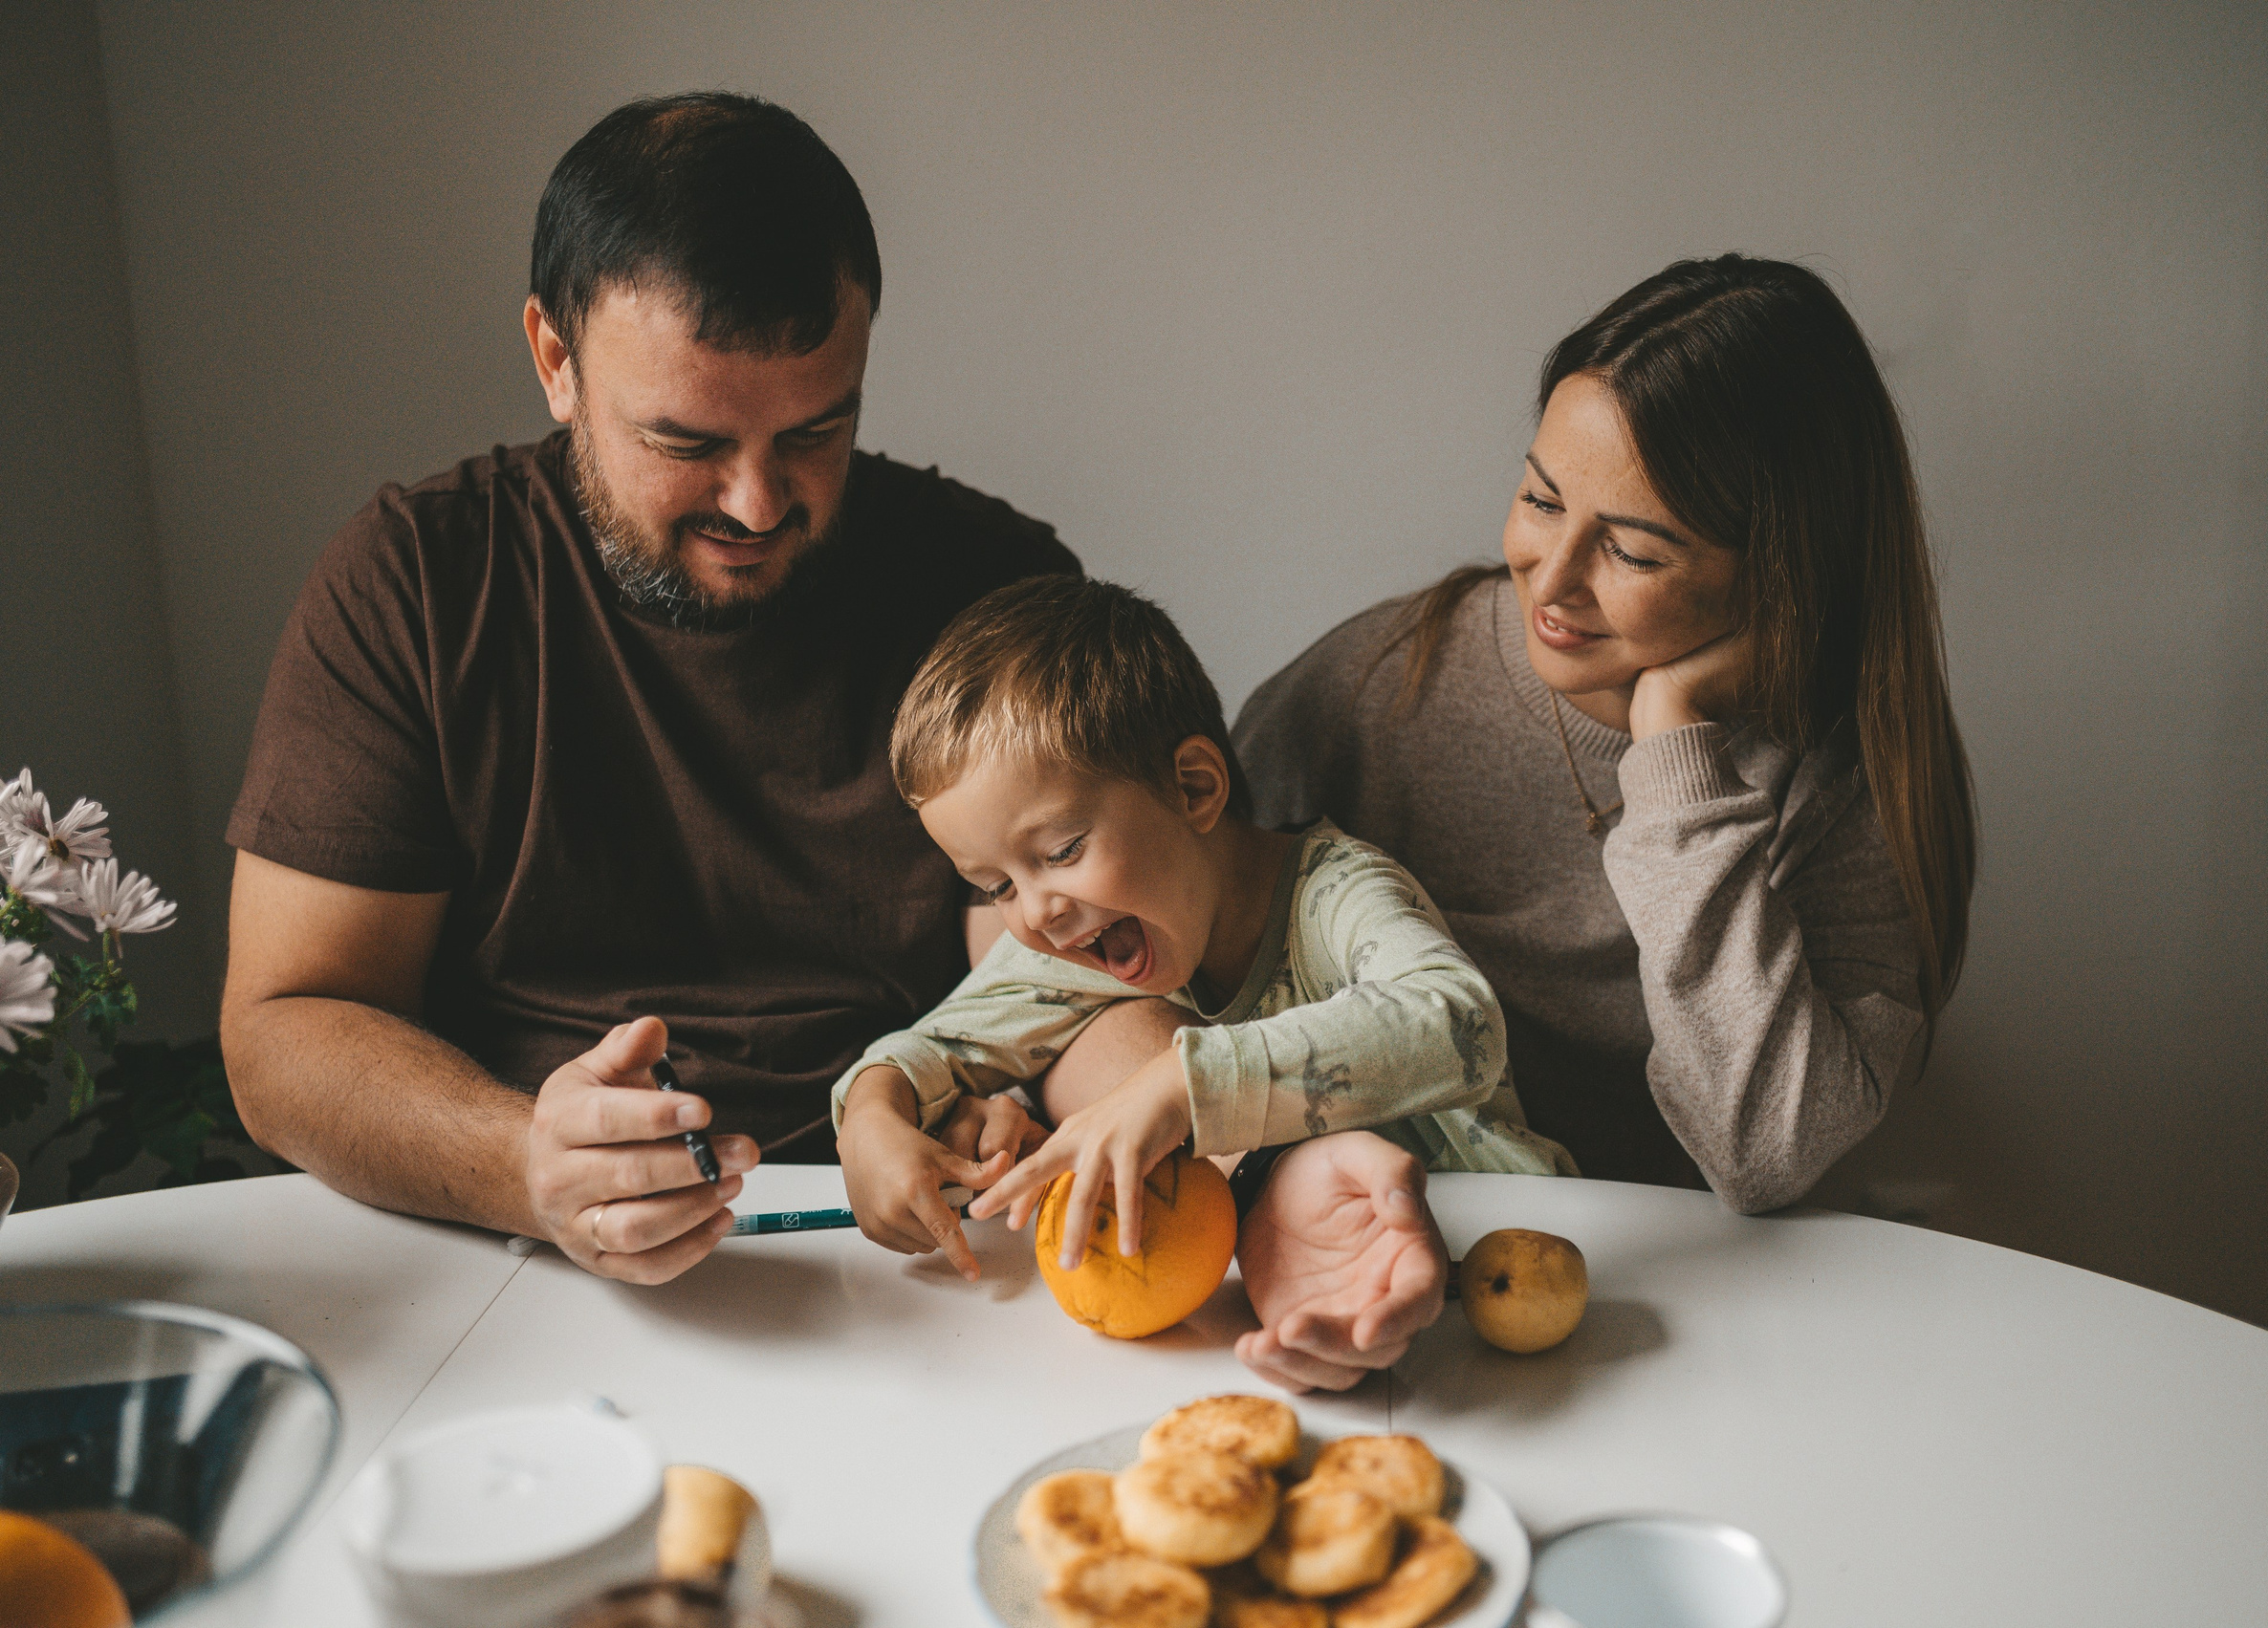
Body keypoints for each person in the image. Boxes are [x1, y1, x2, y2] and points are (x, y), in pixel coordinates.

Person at [217, 93, 1450, 1397]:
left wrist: (1180, 1150)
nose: (757, 501)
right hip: (510, 1269)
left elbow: (1077, 976)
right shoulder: (414, 582)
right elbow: (290, 1023)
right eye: (686, 442)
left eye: (814, 431)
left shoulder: (990, 589)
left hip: (928, 1268)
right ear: (554, 356)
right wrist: (529, 1162)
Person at [1233, 255, 1978, 1211]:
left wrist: (1672, 753)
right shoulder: (1374, 684)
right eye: (1542, 500)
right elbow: (1148, 951)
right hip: (1370, 1230)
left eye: (1631, 549)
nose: (1549, 580)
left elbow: (1764, 1154)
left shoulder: (1836, 780)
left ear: (1776, 572)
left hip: (1683, 1282)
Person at [832, 576, 1566, 1279]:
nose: (1034, 912)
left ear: (1194, 788)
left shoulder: (1338, 891)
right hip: (1318, 1270)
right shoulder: (1080, 937)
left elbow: (1460, 1025)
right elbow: (942, 1044)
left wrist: (1183, 1085)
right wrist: (871, 1115)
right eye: (996, 886)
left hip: (1507, 1239)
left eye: (1061, 852)